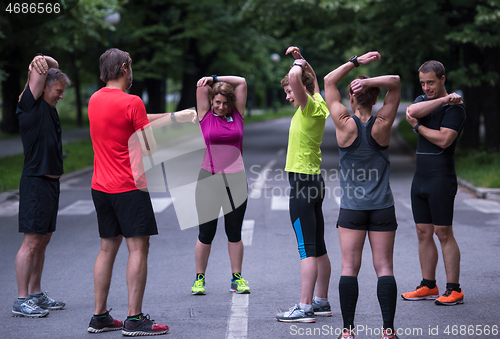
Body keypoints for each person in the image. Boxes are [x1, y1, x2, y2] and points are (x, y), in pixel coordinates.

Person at [87, 48, 195, 336]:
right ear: (124, 68)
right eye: (130, 66)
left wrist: (175, 117)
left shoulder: (94, 100)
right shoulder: (132, 102)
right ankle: (134, 319)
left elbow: (132, 122)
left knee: (106, 249)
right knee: (138, 248)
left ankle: (99, 316)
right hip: (129, 186)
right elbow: (149, 147)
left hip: (101, 186)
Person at [324, 52, 401, 339]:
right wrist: (368, 80)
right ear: (376, 97)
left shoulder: (345, 123)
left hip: (353, 209)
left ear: (353, 98)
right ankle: (388, 331)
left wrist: (356, 63)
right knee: (384, 268)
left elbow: (329, 80)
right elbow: (395, 82)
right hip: (383, 207)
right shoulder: (382, 123)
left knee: (349, 268)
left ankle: (347, 331)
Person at [402, 60, 466, 306]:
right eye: (422, 83)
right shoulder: (425, 102)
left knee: (443, 233)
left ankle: (454, 289)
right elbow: (411, 112)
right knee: (422, 232)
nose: (426, 87)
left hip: (441, 178)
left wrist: (417, 128)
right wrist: (442, 99)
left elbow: (443, 140)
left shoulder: (456, 110)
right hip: (420, 179)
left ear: (442, 79)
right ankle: (429, 284)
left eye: (430, 82)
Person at [275, 46, 332, 323]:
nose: (288, 96)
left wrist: (297, 68)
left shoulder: (309, 107)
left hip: (301, 185)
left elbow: (299, 81)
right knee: (318, 245)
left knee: (306, 249)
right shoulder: (319, 104)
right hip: (315, 182)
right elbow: (313, 82)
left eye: (289, 92)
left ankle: (304, 307)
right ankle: (321, 301)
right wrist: (303, 62)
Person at [13, 54, 70, 318]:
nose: (61, 96)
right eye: (58, 91)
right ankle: (22, 299)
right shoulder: (29, 105)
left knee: (43, 240)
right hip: (35, 182)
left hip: (50, 185)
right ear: (43, 87)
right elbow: (44, 69)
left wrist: (46, 62)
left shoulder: (48, 108)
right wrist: (38, 60)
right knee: (31, 242)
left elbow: (53, 68)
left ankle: (35, 294)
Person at [191, 74, 250, 295]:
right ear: (211, 102)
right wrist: (209, 80)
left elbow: (242, 81)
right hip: (209, 180)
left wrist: (217, 77)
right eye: (217, 102)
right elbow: (201, 85)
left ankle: (237, 278)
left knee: (234, 233)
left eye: (225, 103)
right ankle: (199, 279)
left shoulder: (238, 115)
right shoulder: (205, 115)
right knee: (206, 233)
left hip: (236, 181)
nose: (222, 106)